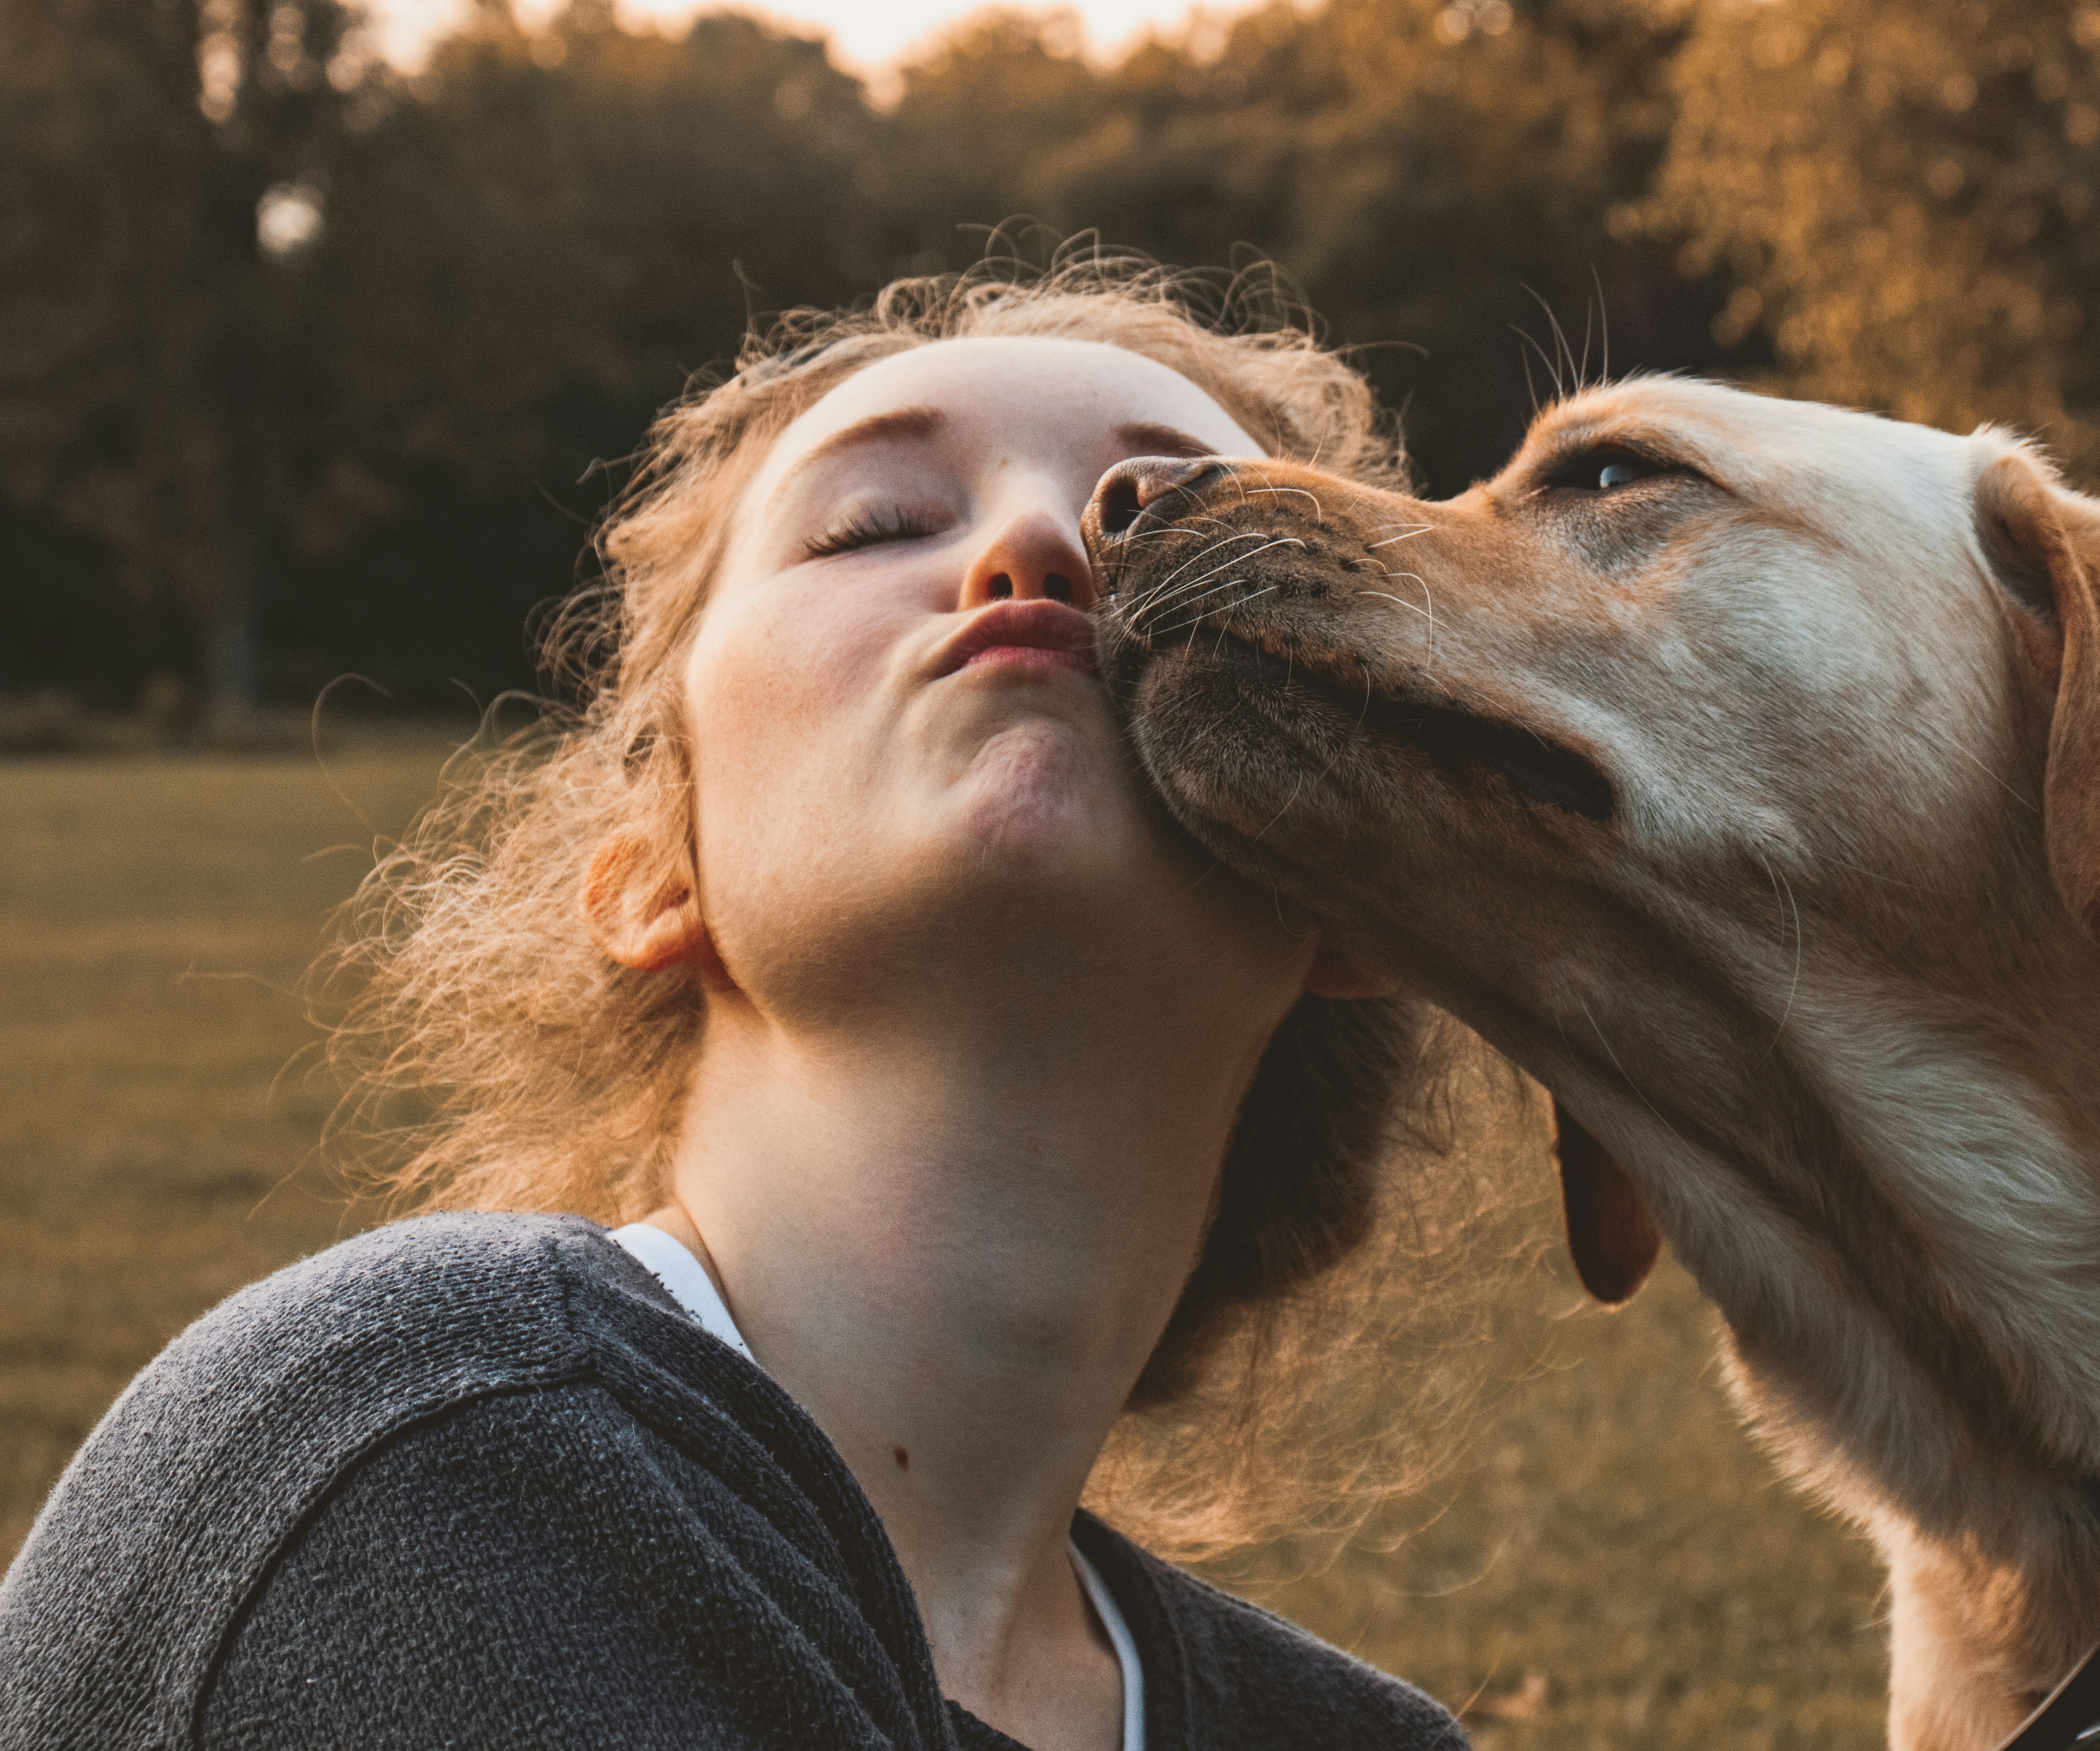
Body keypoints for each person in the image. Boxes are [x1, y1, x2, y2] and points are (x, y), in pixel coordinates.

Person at [0, 267, 1476, 1751]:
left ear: (1359, 891)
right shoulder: (437, 1455)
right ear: (654, 870)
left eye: (1170, 518)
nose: (1038, 538)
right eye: (876, 525)